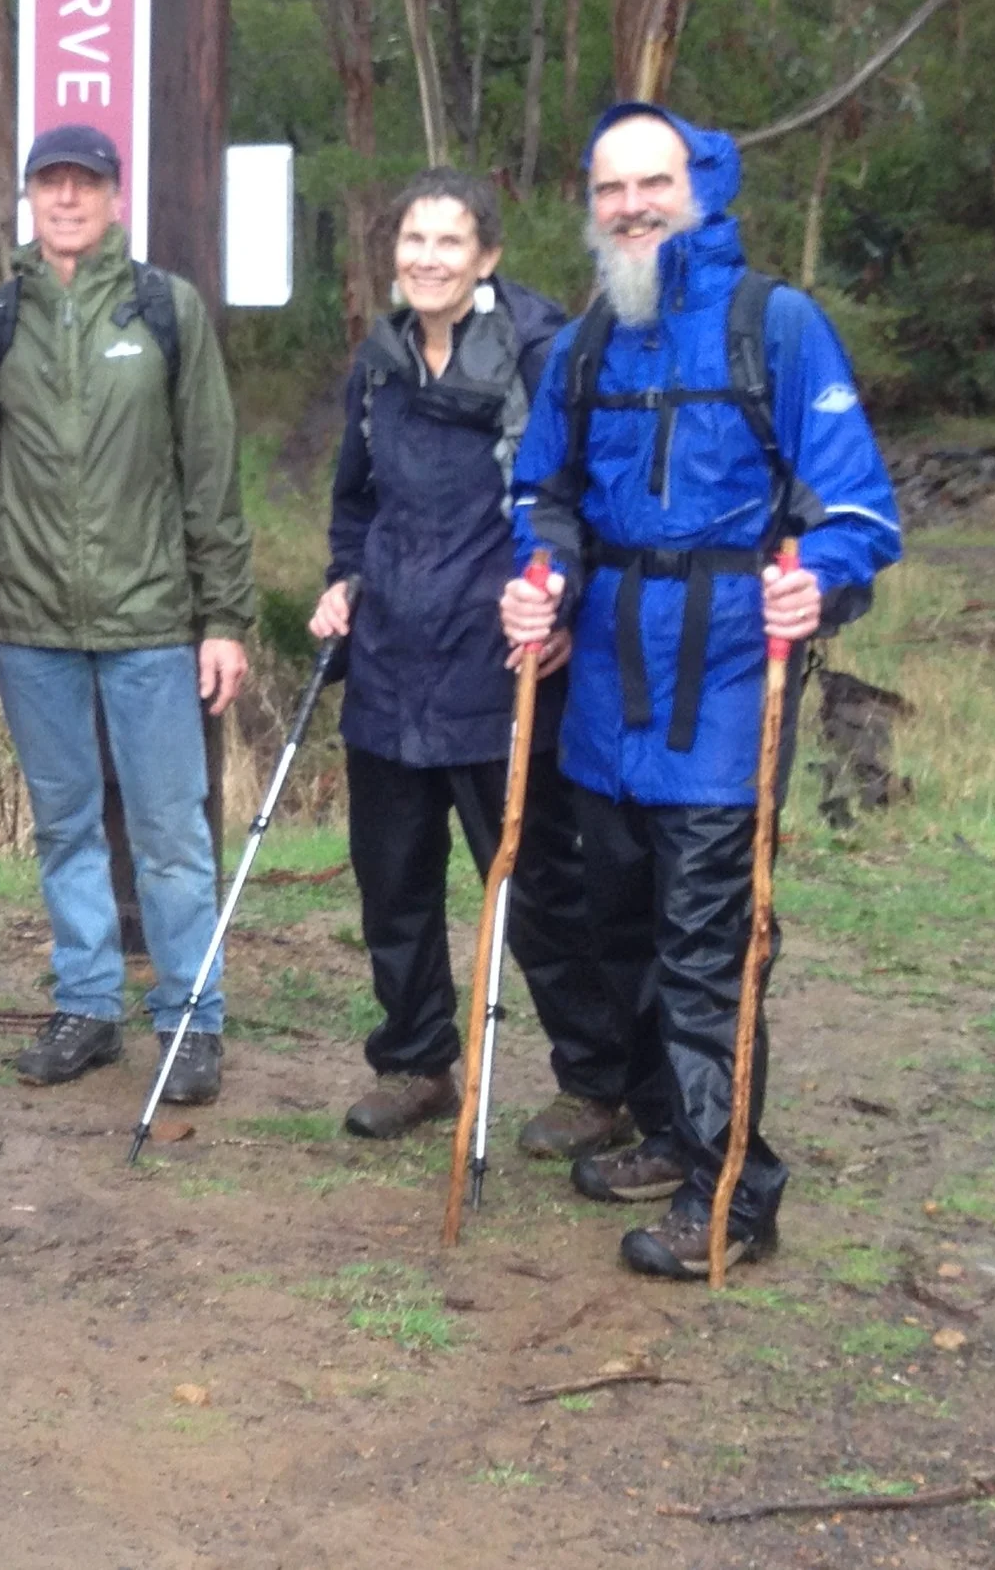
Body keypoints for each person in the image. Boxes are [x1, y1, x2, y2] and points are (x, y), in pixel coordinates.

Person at [502, 103, 901, 1278]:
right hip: (604, 696)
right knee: (614, 926)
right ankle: (671, 1128)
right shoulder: (586, 342)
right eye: (609, 186)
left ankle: (735, 1191)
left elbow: (859, 508)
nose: (629, 205)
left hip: (727, 689)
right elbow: (544, 496)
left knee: (703, 947)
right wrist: (540, 581)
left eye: (651, 182)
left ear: (702, 188)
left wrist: (816, 579)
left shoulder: (775, 325)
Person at [308, 168, 629, 1154]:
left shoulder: (542, 358)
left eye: (449, 243)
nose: (426, 260)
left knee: (536, 886)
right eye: (412, 242)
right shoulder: (379, 363)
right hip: (390, 663)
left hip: (502, 670)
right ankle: (413, 1064)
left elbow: (583, 500)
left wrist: (564, 602)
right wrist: (342, 579)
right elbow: (356, 503)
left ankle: (597, 1083)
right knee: (391, 882)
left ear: (485, 256)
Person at [0, 123, 256, 1103]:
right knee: (66, 826)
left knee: (170, 833)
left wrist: (224, 615)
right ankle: (85, 1004)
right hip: (28, 623)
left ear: (115, 198)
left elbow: (209, 464)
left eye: (85, 183)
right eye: (50, 184)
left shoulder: (165, 309)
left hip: (153, 619)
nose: (68, 199)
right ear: (28, 201)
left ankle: (189, 1017)